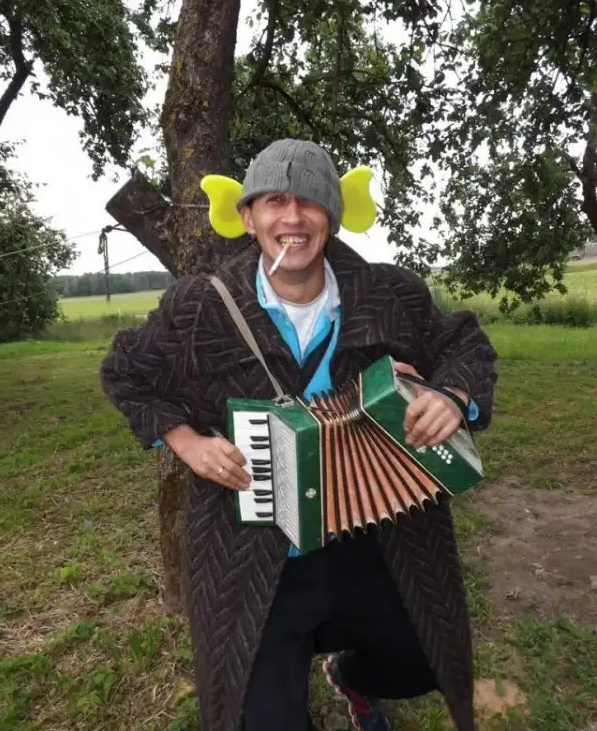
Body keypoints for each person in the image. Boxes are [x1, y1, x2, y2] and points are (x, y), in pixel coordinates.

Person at [100, 139, 497, 731]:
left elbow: (464, 343)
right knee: (255, 715)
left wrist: (453, 396)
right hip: (254, 547)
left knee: (425, 658)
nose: (293, 217)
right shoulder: (200, 306)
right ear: (247, 217)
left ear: (332, 216)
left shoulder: (391, 293)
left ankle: (352, 678)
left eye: (310, 202)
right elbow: (125, 371)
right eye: (274, 202)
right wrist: (187, 442)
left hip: (374, 534)